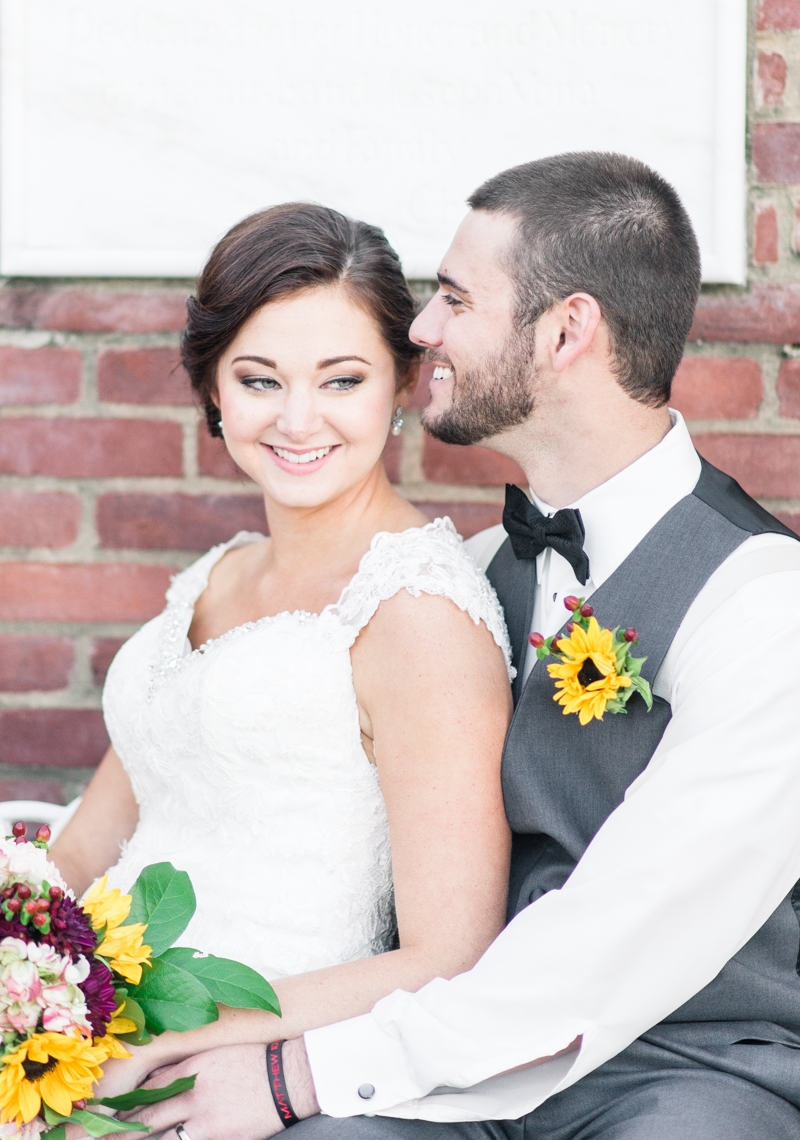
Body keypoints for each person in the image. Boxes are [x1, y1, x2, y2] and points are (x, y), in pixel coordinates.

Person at [120, 152, 800, 1140]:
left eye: (451, 298)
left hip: (681, 1071)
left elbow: (631, 929)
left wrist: (293, 1071)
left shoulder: (760, 605)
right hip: (447, 1067)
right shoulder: (470, 570)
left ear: (566, 330)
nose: (421, 330)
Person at [49, 204, 514, 1121]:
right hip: (82, 1041)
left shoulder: (416, 613)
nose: (299, 421)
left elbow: (450, 953)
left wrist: (178, 1037)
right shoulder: (215, 573)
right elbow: (83, 848)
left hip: (232, 1072)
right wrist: (30, 977)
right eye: (260, 379)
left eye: (342, 380)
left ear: (399, 386)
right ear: (213, 391)